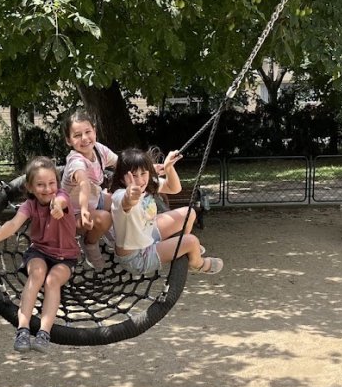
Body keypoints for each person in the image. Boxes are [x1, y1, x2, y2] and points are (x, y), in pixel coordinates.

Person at [0, 156, 80, 353]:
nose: (47, 189)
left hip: (65, 257)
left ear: (57, 183)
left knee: (52, 281)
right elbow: (13, 225)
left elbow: (60, 201)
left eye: (52, 183)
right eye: (40, 185)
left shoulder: (61, 197)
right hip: (39, 252)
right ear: (30, 187)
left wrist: (57, 207)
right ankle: (23, 329)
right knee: (37, 274)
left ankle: (44, 332)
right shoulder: (30, 205)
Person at [110, 147, 222, 275]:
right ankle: (197, 264)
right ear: (121, 178)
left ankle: (179, 247)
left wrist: (169, 168)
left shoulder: (148, 185)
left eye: (143, 173)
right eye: (133, 175)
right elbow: (126, 203)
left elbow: (174, 188)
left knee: (189, 213)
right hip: (137, 257)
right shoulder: (120, 195)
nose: (140, 180)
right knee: (192, 241)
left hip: (147, 234)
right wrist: (130, 197)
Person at [60, 110, 119, 269]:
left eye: (88, 132)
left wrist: (148, 168)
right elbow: (84, 183)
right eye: (77, 135)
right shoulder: (75, 161)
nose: (85, 138)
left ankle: (110, 233)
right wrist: (85, 209)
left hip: (95, 201)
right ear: (69, 141)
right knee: (104, 218)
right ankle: (89, 243)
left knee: (120, 199)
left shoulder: (99, 150)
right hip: (73, 215)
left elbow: (122, 163)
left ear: (95, 131)